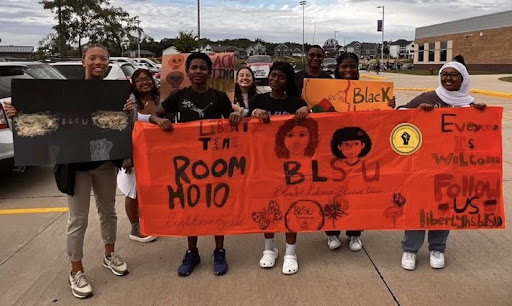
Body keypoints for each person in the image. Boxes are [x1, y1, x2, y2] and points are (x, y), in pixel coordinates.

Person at [4, 44, 130, 299]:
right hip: (75, 168)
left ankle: (109, 254)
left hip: (104, 163)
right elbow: (40, 117)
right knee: (78, 220)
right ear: (83, 61)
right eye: (93, 57)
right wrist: (16, 114)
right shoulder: (64, 92)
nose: (99, 62)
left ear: (108, 63)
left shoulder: (114, 94)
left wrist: (129, 110)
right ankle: (76, 270)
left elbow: (122, 127)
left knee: (109, 212)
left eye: (103, 58)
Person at [149, 52, 236, 277]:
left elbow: (232, 123)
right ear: (187, 71)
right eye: (194, 68)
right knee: (191, 206)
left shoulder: (219, 96)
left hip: (216, 162)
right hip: (188, 164)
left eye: (202, 68)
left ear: (210, 72)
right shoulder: (179, 96)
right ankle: (192, 252)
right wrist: (161, 121)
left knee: (217, 204)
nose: (198, 72)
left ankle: (219, 251)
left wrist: (235, 118)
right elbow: (153, 116)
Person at [399, 61, 486, 271]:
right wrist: (417, 111)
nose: (448, 79)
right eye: (444, 74)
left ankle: (438, 248)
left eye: (454, 75)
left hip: (452, 168)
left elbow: (479, 137)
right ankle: (410, 249)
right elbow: (398, 113)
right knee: (418, 206)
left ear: (463, 79)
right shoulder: (429, 98)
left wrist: (482, 114)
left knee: (443, 207)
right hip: (422, 165)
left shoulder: (469, 105)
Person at [231, 62, 310, 275]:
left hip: (291, 166)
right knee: (267, 206)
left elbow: (310, 120)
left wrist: (306, 109)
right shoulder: (261, 99)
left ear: (288, 81)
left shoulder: (296, 102)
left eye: (281, 77)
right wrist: (255, 112)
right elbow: (246, 120)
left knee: (290, 206)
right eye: (273, 76)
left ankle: (290, 252)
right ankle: (269, 249)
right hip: (264, 164)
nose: (276, 80)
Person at [322, 53, 396, 251]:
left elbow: (380, 120)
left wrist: (388, 106)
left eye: (352, 67)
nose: (348, 71)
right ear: (337, 69)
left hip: (360, 151)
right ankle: (332, 233)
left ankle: (355, 234)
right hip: (332, 150)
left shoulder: (370, 92)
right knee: (332, 193)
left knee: (358, 193)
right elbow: (316, 112)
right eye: (344, 67)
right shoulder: (326, 91)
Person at [117, 68, 158, 243]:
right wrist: (127, 158)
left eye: (147, 78)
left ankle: (148, 222)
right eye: (139, 80)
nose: (144, 82)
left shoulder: (159, 100)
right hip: (134, 155)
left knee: (149, 191)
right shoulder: (129, 103)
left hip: (155, 155)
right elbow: (122, 131)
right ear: (134, 84)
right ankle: (135, 228)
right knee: (133, 192)